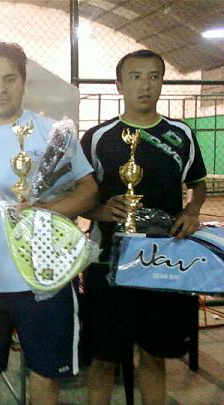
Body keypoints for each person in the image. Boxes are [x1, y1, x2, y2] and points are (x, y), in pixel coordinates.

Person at [0, 42, 98, 405]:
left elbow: (89, 191)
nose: (1, 88)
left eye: (9, 78)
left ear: (24, 82)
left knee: (45, 377)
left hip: (46, 280)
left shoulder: (53, 133)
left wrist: (47, 210)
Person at [80, 49, 207, 405]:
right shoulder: (98, 137)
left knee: (154, 356)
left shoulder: (181, 134)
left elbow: (197, 184)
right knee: (103, 360)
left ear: (162, 82)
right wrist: (100, 211)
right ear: (120, 85)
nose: (145, 85)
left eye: (153, 76)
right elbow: (79, 196)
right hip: (108, 265)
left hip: (163, 265)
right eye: (135, 77)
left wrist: (193, 210)